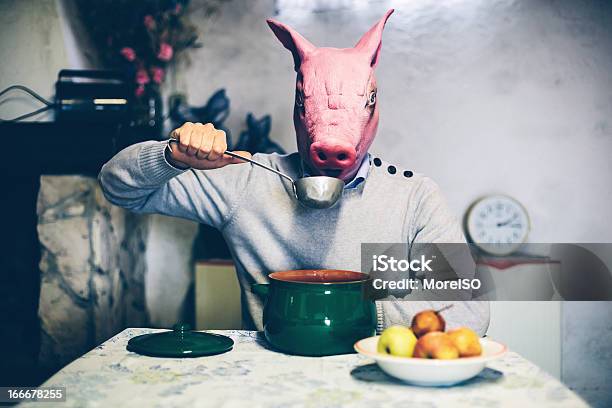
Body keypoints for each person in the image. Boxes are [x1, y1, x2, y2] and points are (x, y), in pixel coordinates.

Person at [99, 10, 489, 335]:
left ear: (375, 112)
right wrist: (172, 156)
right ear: (297, 111)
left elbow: (468, 311)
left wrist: (353, 307)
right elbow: (117, 186)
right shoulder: (249, 180)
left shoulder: (413, 198)